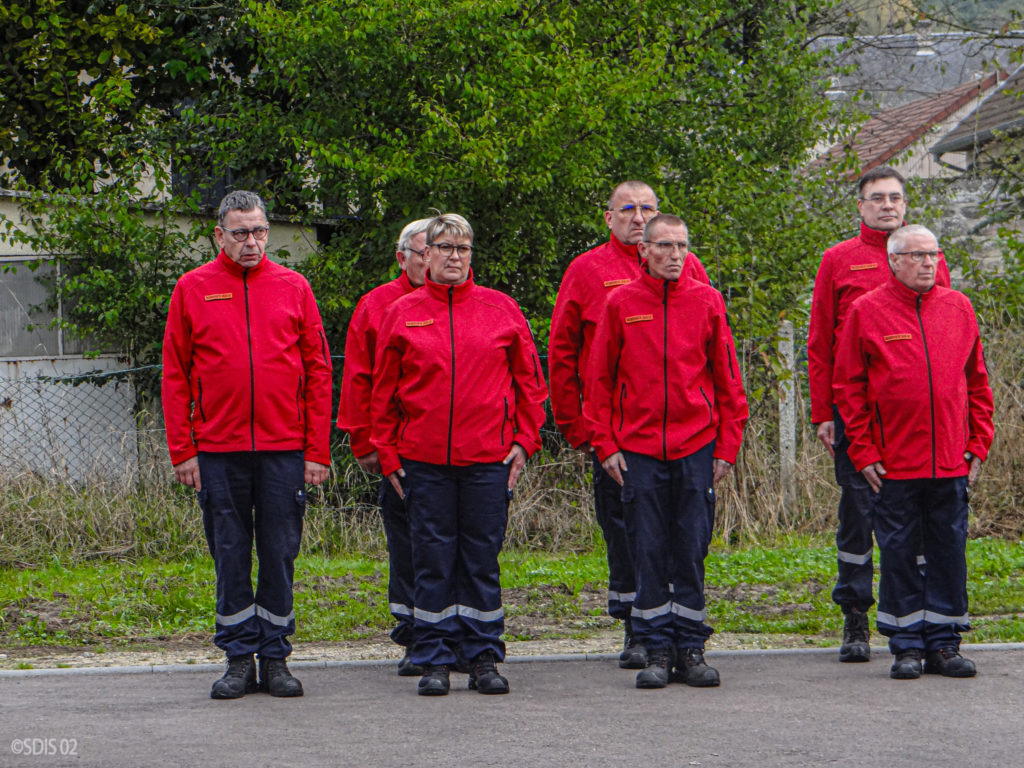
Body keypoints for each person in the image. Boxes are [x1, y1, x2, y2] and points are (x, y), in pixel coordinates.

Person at [161, 190, 333, 699]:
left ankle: (276, 657)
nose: (252, 242)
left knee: (279, 552)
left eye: (260, 231)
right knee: (231, 553)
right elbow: (175, 375)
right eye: (240, 233)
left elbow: (320, 371)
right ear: (219, 235)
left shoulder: (294, 287)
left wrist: (317, 450)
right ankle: (239, 658)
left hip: (284, 448)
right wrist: (183, 450)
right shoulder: (193, 289)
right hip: (218, 450)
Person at [371, 213, 548, 696]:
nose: (454, 256)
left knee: (479, 561)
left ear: (471, 256)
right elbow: (382, 395)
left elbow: (531, 386)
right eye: (445, 248)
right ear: (424, 255)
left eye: (463, 249)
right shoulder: (401, 312)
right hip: (423, 465)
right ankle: (432, 657)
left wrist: (524, 442)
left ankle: (483, 656)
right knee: (431, 561)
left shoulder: (501, 310)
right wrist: (387, 455)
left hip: (486, 463)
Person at [549, 181, 709, 669]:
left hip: (683, 435)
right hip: (617, 433)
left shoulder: (686, 267)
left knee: (680, 534)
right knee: (626, 530)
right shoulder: (588, 270)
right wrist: (579, 427)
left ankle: (674, 631)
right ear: (609, 217)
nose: (638, 217)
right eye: (628, 209)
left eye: (648, 209)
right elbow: (564, 351)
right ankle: (634, 626)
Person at [584, 214, 748, 689]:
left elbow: (728, 380)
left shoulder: (707, 300)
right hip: (637, 451)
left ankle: (691, 647)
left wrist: (728, 447)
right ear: (644, 251)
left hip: (696, 446)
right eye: (665, 246)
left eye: (682, 245)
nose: (675, 255)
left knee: (690, 547)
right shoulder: (620, 303)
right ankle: (655, 646)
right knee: (648, 548)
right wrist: (606, 444)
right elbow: (598, 382)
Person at [833, 224, 993, 680]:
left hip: (950, 460)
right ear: (894, 261)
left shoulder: (959, 308)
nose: (929, 263)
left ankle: (944, 643)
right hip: (894, 462)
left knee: (948, 549)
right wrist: (862, 452)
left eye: (934, 255)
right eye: (918, 256)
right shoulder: (867, 311)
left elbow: (977, 381)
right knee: (900, 551)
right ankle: (905, 644)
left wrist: (978, 441)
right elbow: (850, 388)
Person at [807, 166, 952, 663]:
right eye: (877, 198)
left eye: (895, 197)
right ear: (861, 206)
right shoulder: (838, 260)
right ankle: (855, 616)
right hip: (856, 415)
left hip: (916, 425)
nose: (887, 205)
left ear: (905, 204)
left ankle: (917, 619)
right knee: (859, 513)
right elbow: (822, 341)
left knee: (915, 517)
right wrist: (822, 410)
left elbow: (945, 324)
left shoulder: (928, 254)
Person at [336, 218, 431, 677]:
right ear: (402, 258)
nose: (432, 259)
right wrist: (363, 441)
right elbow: (357, 376)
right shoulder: (377, 306)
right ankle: (412, 631)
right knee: (407, 542)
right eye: (421, 251)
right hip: (397, 449)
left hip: (459, 452)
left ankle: (457, 631)